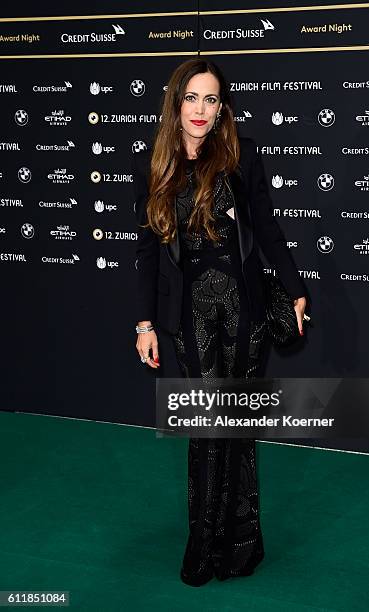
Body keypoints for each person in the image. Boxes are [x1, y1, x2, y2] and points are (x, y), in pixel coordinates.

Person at [133, 58, 308, 586]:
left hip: (245, 313)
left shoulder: (240, 155)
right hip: (191, 318)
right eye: (192, 98)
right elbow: (146, 249)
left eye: (211, 99)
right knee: (206, 431)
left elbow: (268, 228)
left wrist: (296, 289)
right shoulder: (158, 161)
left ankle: (240, 546)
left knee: (235, 431)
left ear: (222, 106)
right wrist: (145, 324)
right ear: (176, 103)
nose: (201, 110)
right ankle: (201, 544)